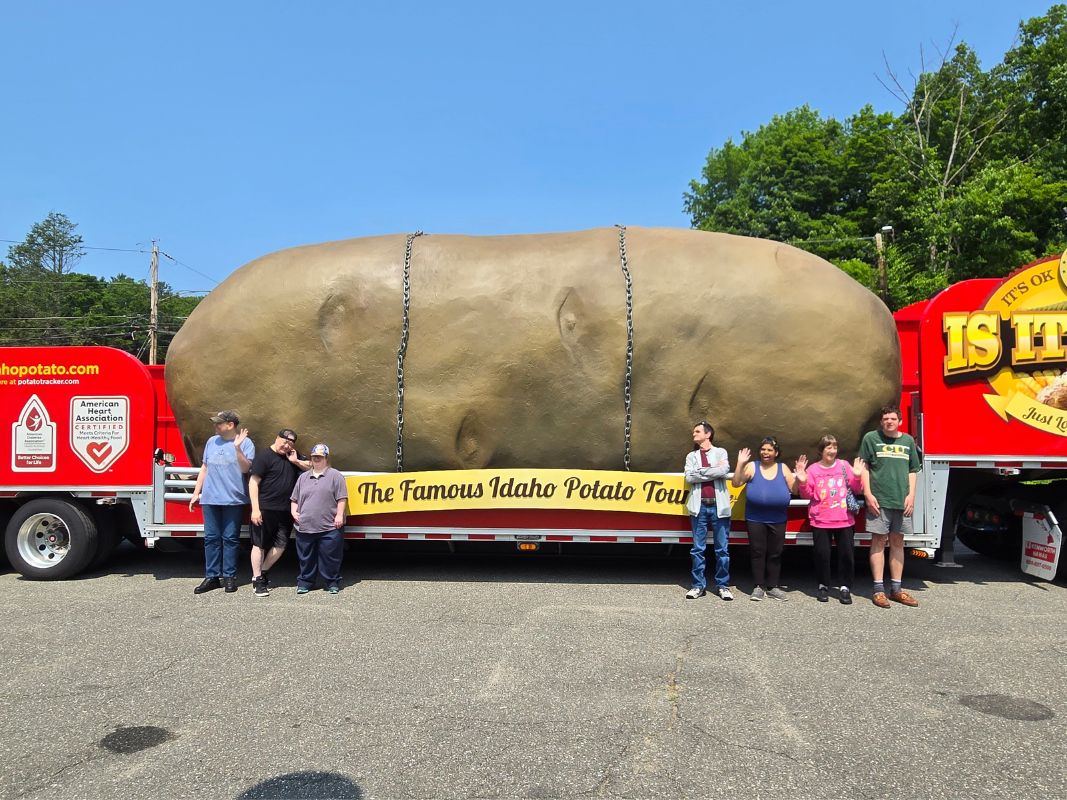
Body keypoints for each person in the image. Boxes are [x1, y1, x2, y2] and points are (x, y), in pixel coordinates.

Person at [860, 406, 922, 608]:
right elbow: (864, 468)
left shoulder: (907, 442)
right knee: (878, 541)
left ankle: (896, 589)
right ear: (881, 421)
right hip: (879, 500)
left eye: (893, 418)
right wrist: (868, 494)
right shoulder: (871, 438)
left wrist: (911, 495)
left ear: (900, 421)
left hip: (901, 501)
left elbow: (913, 470)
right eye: (885, 418)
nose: (889, 421)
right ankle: (878, 590)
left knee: (897, 542)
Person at [189, 410, 255, 594]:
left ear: (230, 425)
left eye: (219, 423)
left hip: (233, 499)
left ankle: (229, 577)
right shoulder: (212, 441)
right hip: (210, 498)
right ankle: (211, 577)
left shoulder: (246, 443)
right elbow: (204, 467)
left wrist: (237, 448)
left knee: (230, 539)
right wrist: (196, 492)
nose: (215, 426)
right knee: (211, 539)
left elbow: (245, 468)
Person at [795, 435, 866, 604]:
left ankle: (845, 587)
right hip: (820, 520)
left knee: (846, 555)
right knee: (822, 555)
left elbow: (856, 490)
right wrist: (803, 481)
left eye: (834, 447)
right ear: (821, 450)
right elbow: (807, 495)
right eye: (828, 448)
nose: (832, 451)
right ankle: (823, 586)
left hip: (844, 520)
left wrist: (856, 476)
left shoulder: (844, 466)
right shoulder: (813, 470)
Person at [732, 437, 798, 601]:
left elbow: (795, 490)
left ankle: (773, 587)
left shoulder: (783, 468)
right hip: (755, 518)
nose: (765, 453)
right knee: (757, 552)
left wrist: (800, 478)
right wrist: (740, 463)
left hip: (778, 518)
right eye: (763, 449)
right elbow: (736, 483)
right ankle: (758, 586)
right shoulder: (752, 467)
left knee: (775, 553)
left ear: (776, 453)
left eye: (769, 450)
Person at [248, 428, 310, 597]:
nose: (286, 446)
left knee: (281, 545)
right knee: (258, 544)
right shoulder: (264, 456)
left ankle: (264, 571)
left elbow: (312, 467)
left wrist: (296, 461)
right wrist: (255, 509)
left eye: (290, 443)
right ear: (277, 438)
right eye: (284, 442)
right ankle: (257, 578)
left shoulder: (293, 456)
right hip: (264, 509)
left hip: (285, 510)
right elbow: (253, 483)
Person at [683, 421, 734, 600]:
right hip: (699, 507)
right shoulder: (691, 456)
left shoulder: (721, 452)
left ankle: (723, 586)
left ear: (708, 434)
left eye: (697, 431)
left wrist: (702, 472)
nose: (694, 434)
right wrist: (713, 471)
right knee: (698, 549)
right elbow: (689, 477)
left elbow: (724, 470)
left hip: (719, 507)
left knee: (722, 550)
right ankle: (698, 586)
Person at [290, 443, 348, 595]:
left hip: (329, 526)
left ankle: (332, 582)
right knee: (306, 557)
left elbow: (342, 498)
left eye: (320, 457)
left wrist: (339, 515)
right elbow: (294, 498)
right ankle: (305, 582)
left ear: (326, 459)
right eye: (314, 457)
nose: (317, 459)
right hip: (305, 525)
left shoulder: (336, 475)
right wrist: (294, 512)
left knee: (331, 557)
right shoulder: (303, 477)